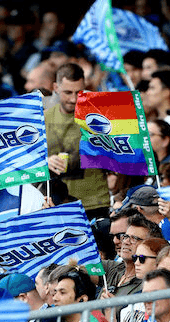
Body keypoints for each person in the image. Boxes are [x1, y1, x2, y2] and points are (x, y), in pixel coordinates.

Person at [45, 63, 109, 218]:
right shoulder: (43, 118)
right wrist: (45, 161)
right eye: (67, 92)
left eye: (78, 92)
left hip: (95, 201)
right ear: (55, 88)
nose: (73, 99)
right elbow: (27, 160)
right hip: (57, 203)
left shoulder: (99, 116)